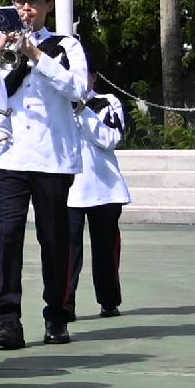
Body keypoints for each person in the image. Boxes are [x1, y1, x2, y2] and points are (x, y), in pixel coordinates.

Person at [0, 0, 93, 348]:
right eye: (19, 1)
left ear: (48, 4)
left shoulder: (66, 46)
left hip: (51, 158)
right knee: (8, 238)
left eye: (32, 2)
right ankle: (7, 321)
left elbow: (78, 90)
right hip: (9, 156)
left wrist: (37, 57)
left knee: (54, 239)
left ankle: (57, 315)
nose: (25, 8)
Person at [71, 82, 130, 316]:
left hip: (105, 188)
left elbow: (111, 138)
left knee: (106, 249)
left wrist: (82, 110)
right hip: (68, 189)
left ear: (93, 76)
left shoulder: (107, 102)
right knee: (65, 252)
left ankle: (109, 300)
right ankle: (64, 305)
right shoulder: (54, 103)